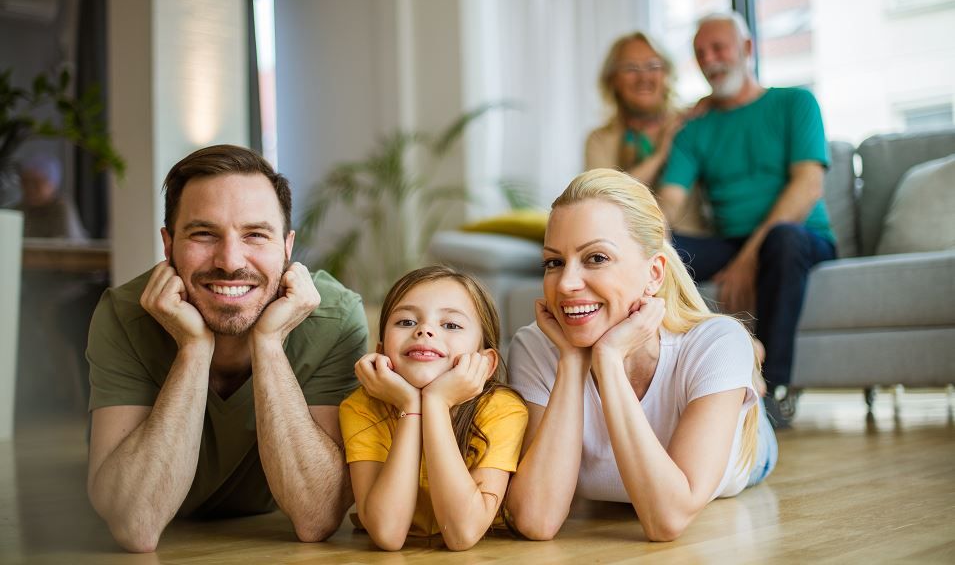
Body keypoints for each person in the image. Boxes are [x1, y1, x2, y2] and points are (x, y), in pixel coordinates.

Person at [85, 145, 368, 552]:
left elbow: (317, 516)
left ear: (287, 248)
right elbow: (135, 524)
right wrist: (194, 349)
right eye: (204, 234)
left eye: (255, 234)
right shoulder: (123, 315)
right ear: (168, 245)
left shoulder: (335, 317)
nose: (230, 260)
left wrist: (269, 344)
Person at [504, 168, 776, 542]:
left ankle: (749, 372)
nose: (566, 284)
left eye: (596, 258)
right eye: (554, 262)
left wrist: (610, 360)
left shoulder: (714, 343)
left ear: (654, 274)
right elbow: (537, 519)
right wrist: (571, 361)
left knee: (734, 347)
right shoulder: (536, 346)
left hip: (750, 451)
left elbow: (666, 520)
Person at [658, 11, 837, 423]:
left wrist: (747, 258)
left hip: (801, 238)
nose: (710, 60)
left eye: (719, 48)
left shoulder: (795, 102)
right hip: (732, 242)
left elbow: (808, 186)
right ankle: (663, 389)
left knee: (783, 240)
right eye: (700, 53)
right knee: (657, 250)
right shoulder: (695, 129)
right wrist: (656, 230)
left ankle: (774, 394)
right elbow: (669, 198)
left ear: (748, 49)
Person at [340, 266, 528, 551]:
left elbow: (462, 534)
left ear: (485, 363)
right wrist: (410, 406)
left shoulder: (502, 409)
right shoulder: (361, 408)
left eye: (451, 325)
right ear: (380, 351)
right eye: (405, 321)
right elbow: (388, 534)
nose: (424, 330)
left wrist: (437, 403)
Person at [584, 31, 708, 235]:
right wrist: (659, 156)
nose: (644, 78)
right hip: (622, 239)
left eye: (653, 66)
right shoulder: (599, 140)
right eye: (631, 68)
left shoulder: (688, 123)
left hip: (689, 240)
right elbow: (601, 202)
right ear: (612, 79)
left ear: (667, 74)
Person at [17, 151, 88, 239]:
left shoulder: (60, 207)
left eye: (36, 182)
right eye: (25, 181)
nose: (29, 187)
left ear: (52, 184)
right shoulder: (19, 210)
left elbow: (66, 245)